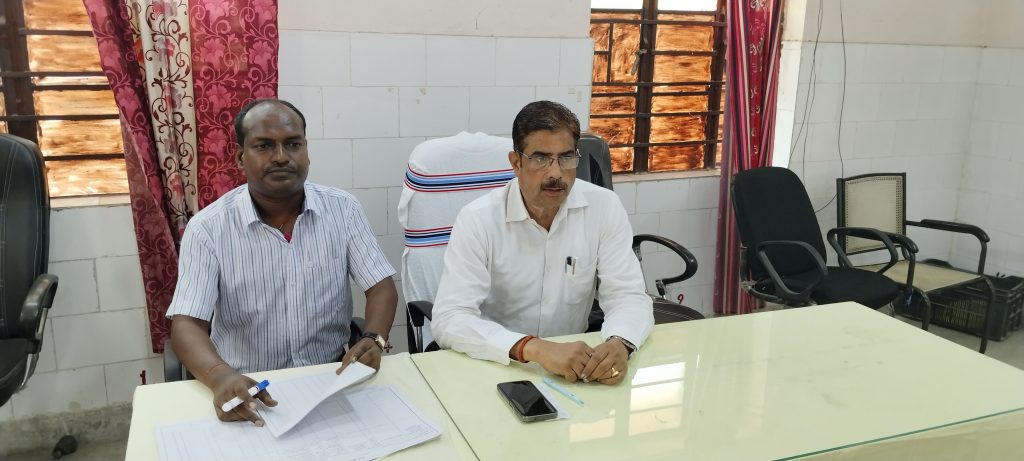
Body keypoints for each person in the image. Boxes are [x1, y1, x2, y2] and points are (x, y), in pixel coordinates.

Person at [166, 99, 398, 426]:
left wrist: (373, 338)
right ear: (240, 157)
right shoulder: (208, 228)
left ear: (306, 150)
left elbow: (380, 287)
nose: (280, 157)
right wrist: (219, 376)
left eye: (293, 144)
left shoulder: (343, 209)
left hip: (330, 377)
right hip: (246, 386)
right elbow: (188, 323)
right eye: (264, 146)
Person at [431, 100, 653, 386]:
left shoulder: (604, 207)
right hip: (497, 364)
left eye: (566, 158)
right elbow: (450, 318)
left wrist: (620, 343)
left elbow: (628, 295)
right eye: (540, 158)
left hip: (575, 371)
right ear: (516, 163)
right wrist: (533, 348)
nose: (555, 173)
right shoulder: (478, 220)